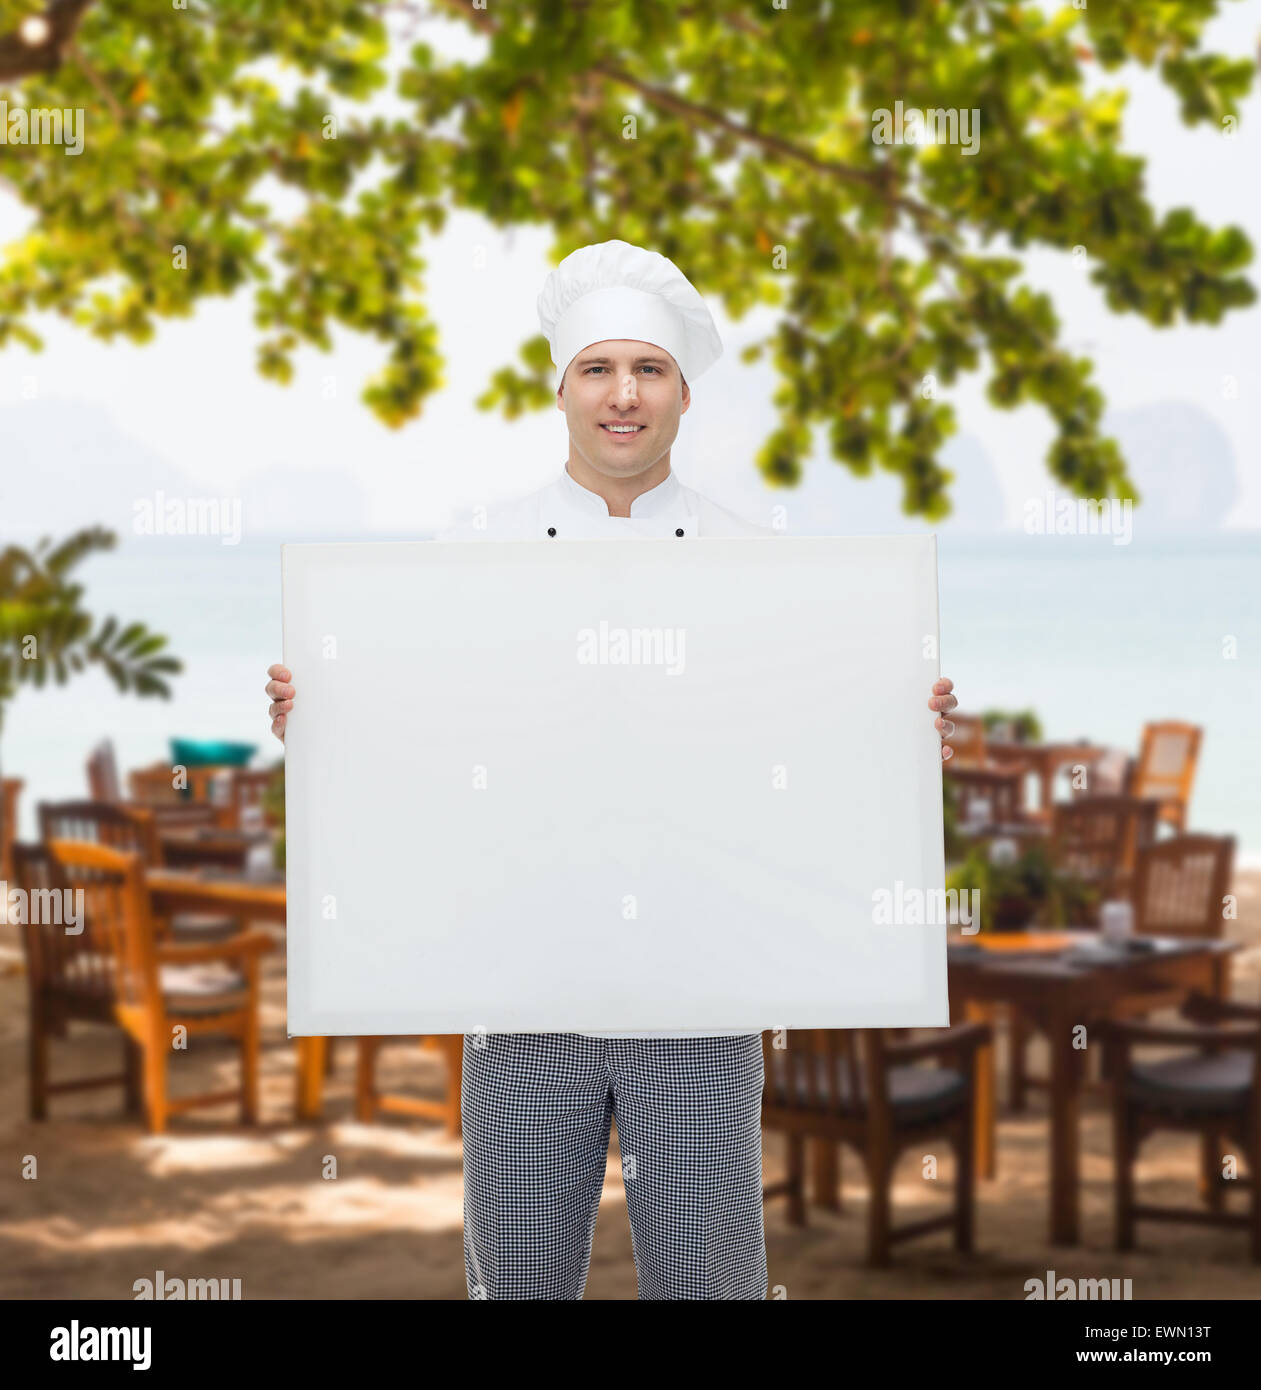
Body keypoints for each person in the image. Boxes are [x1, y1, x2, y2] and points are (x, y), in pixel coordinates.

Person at [264, 239, 959, 1300]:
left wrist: (903, 737)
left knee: (707, 1286)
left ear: (684, 392)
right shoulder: (470, 560)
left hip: (699, 1003)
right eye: (598, 369)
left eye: (646, 370)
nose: (621, 395)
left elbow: (795, 759)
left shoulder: (761, 568)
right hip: (519, 994)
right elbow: (429, 746)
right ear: (561, 387)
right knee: (519, 1286)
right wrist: (323, 724)